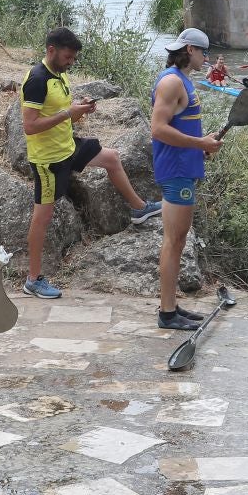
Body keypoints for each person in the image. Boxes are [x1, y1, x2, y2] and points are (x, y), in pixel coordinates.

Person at [21, 27, 160, 298]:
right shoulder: (37, 79)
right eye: (68, 57)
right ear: (51, 50)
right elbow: (30, 126)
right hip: (48, 160)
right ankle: (33, 280)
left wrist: (80, 108)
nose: (71, 62)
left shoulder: (59, 75)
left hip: (68, 147)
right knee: (43, 218)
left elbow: (59, 111)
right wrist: (68, 113)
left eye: (74, 58)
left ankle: (139, 208)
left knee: (111, 158)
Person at [149, 28, 223, 330]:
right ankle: (167, 313)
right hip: (175, 169)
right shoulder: (171, 82)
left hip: (184, 166)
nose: (206, 58)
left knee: (178, 241)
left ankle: (171, 305)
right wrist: (199, 143)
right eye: (204, 53)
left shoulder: (182, 80)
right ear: (190, 50)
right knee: (174, 240)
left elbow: (182, 127)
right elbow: (158, 128)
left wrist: (201, 147)